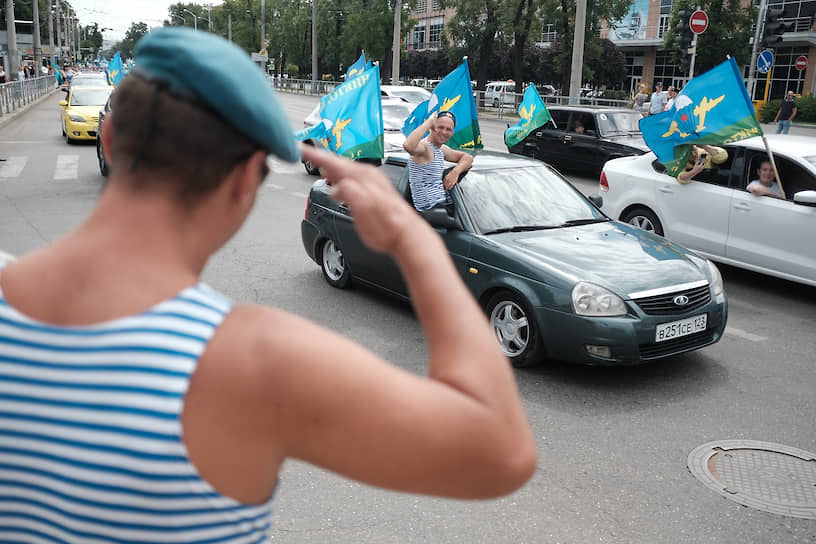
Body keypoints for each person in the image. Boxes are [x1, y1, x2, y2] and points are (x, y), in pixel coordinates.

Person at [0, 28, 536, 541]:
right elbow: (500, 452)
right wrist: (413, 243)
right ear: (244, 182)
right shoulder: (249, 359)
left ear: (109, 137)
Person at [403, 109, 474, 212]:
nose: (444, 132)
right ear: (432, 127)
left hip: (443, 207)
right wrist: (429, 122)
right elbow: (408, 145)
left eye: (448, 129)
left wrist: (455, 172)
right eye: (440, 127)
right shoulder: (425, 148)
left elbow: (468, 158)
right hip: (430, 212)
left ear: (453, 132)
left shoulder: (441, 149)